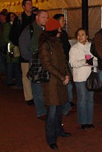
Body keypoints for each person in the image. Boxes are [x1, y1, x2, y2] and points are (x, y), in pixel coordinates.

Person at [38, 18, 71, 150]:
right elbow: (47, 65)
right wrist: (62, 76)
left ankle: (59, 131)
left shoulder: (57, 43)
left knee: (59, 110)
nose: (60, 29)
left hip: (61, 81)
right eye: (58, 28)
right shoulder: (45, 45)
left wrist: (67, 74)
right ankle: (51, 138)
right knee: (52, 112)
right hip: (52, 83)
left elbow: (63, 60)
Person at [19, 9, 49, 119]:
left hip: (45, 62)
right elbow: (23, 46)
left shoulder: (46, 29)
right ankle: (41, 112)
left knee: (45, 88)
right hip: (36, 62)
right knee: (37, 88)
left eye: (47, 17)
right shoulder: (29, 29)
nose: (45, 19)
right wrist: (31, 59)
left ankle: (45, 109)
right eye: (43, 17)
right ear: (37, 17)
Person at [69, 28, 95, 129]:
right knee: (82, 99)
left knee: (90, 99)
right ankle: (83, 122)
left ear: (87, 36)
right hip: (80, 77)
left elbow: (96, 59)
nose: (80, 37)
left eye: (83, 34)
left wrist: (93, 62)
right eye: (78, 35)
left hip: (90, 76)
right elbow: (72, 63)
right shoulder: (74, 48)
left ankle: (90, 121)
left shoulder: (91, 46)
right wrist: (84, 62)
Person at [54, 13, 73, 115]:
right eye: (62, 20)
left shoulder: (64, 33)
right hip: (61, 63)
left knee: (68, 84)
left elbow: (67, 47)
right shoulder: (54, 36)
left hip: (66, 60)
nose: (64, 22)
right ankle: (66, 105)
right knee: (67, 84)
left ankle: (68, 103)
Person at [19, 0, 35, 105]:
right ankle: (29, 97)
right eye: (28, 4)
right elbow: (15, 34)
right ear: (23, 6)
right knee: (26, 74)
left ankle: (35, 94)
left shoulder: (35, 18)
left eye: (31, 4)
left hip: (34, 50)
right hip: (24, 50)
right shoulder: (19, 19)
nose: (30, 5)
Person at [6, 12, 22, 89]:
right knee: (12, 64)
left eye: (14, 16)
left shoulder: (14, 25)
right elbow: (6, 37)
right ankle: (11, 80)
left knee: (14, 65)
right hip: (12, 48)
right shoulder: (8, 26)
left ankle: (14, 80)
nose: (13, 17)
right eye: (11, 16)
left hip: (15, 47)